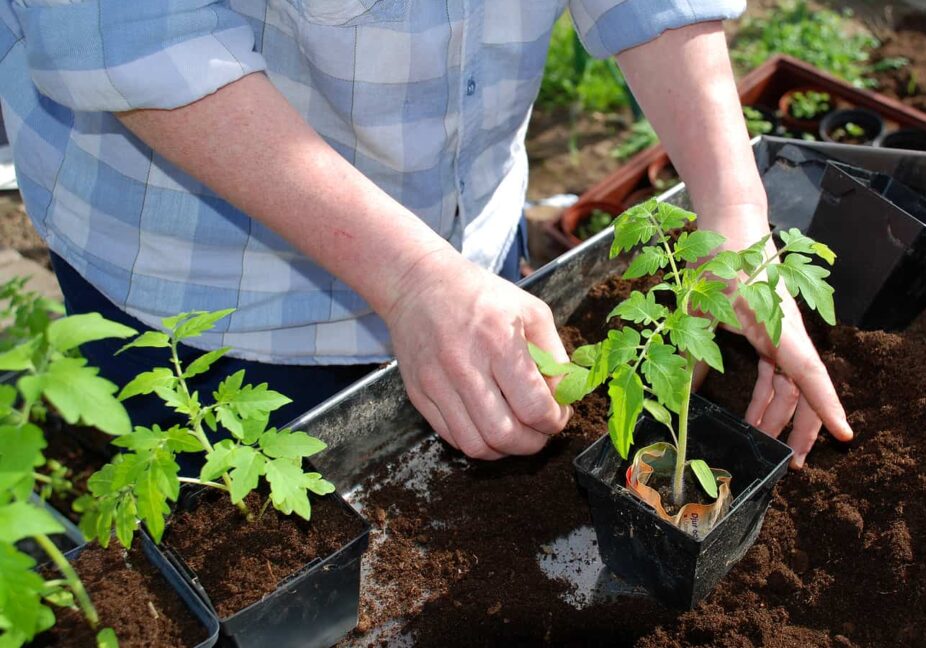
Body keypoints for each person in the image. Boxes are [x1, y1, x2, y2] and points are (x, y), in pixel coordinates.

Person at [0, 0, 852, 469]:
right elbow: (135, 30)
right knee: (242, 563)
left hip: (468, 242)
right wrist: (409, 280)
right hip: (206, 293)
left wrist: (733, 219)